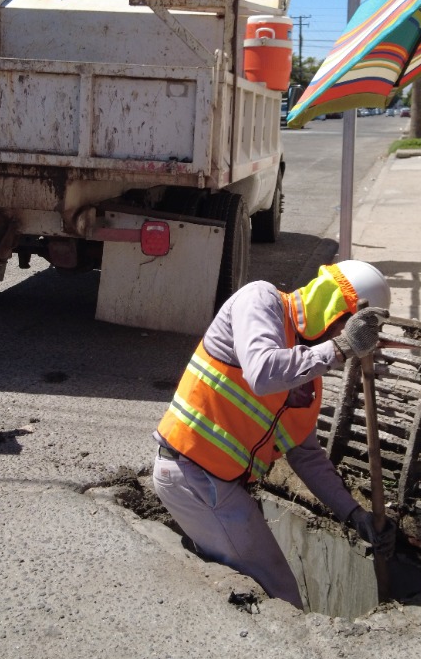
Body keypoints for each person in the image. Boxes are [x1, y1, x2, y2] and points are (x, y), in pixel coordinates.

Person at [152, 259, 396, 607]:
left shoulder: (307, 380)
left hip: (216, 485)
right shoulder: (261, 300)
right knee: (279, 595)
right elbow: (262, 372)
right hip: (192, 474)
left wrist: (354, 515)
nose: (346, 346)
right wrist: (341, 346)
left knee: (262, 592)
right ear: (331, 308)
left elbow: (306, 455)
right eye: (348, 327)